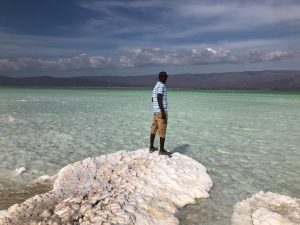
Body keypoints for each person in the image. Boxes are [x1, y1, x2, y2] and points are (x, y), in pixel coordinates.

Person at [149, 71, 172, 157]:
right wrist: (162, 111)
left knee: (153, 128)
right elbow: (159, 97)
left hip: (155, 112)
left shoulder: (155, 86)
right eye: (165, 77)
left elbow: (152, 99)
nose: (166, 79)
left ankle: (151, 147)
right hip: (160, 111)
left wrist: (156, 108)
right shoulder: (162, 85)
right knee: (162, 130)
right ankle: (161, 150)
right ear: (162, 77)